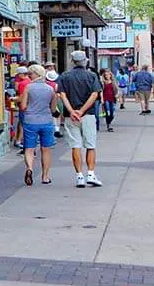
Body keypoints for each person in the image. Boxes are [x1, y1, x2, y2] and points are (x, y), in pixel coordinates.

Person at [57, 50, 103, 188]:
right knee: (90, 145)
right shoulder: (91, 76)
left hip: (71, 116)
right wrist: (82, 110)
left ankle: (79, 176)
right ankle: (90, 173)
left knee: (75, 145)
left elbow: (62, 95)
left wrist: (72, 111)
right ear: (85, 61)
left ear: (72, 61)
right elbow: (95, 94)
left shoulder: (65, 76)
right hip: (87, 114)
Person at [17, 64, 56, 186]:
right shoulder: (50, 89)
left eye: (30, 74)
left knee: (29, 148)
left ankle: (30, 168)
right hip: (46, 121)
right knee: (46, 149)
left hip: (30, 121)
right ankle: (45, 176)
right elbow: (53, 109)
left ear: (35, 75)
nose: (29, 76)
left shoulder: (28, 87)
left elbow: (23, 106)